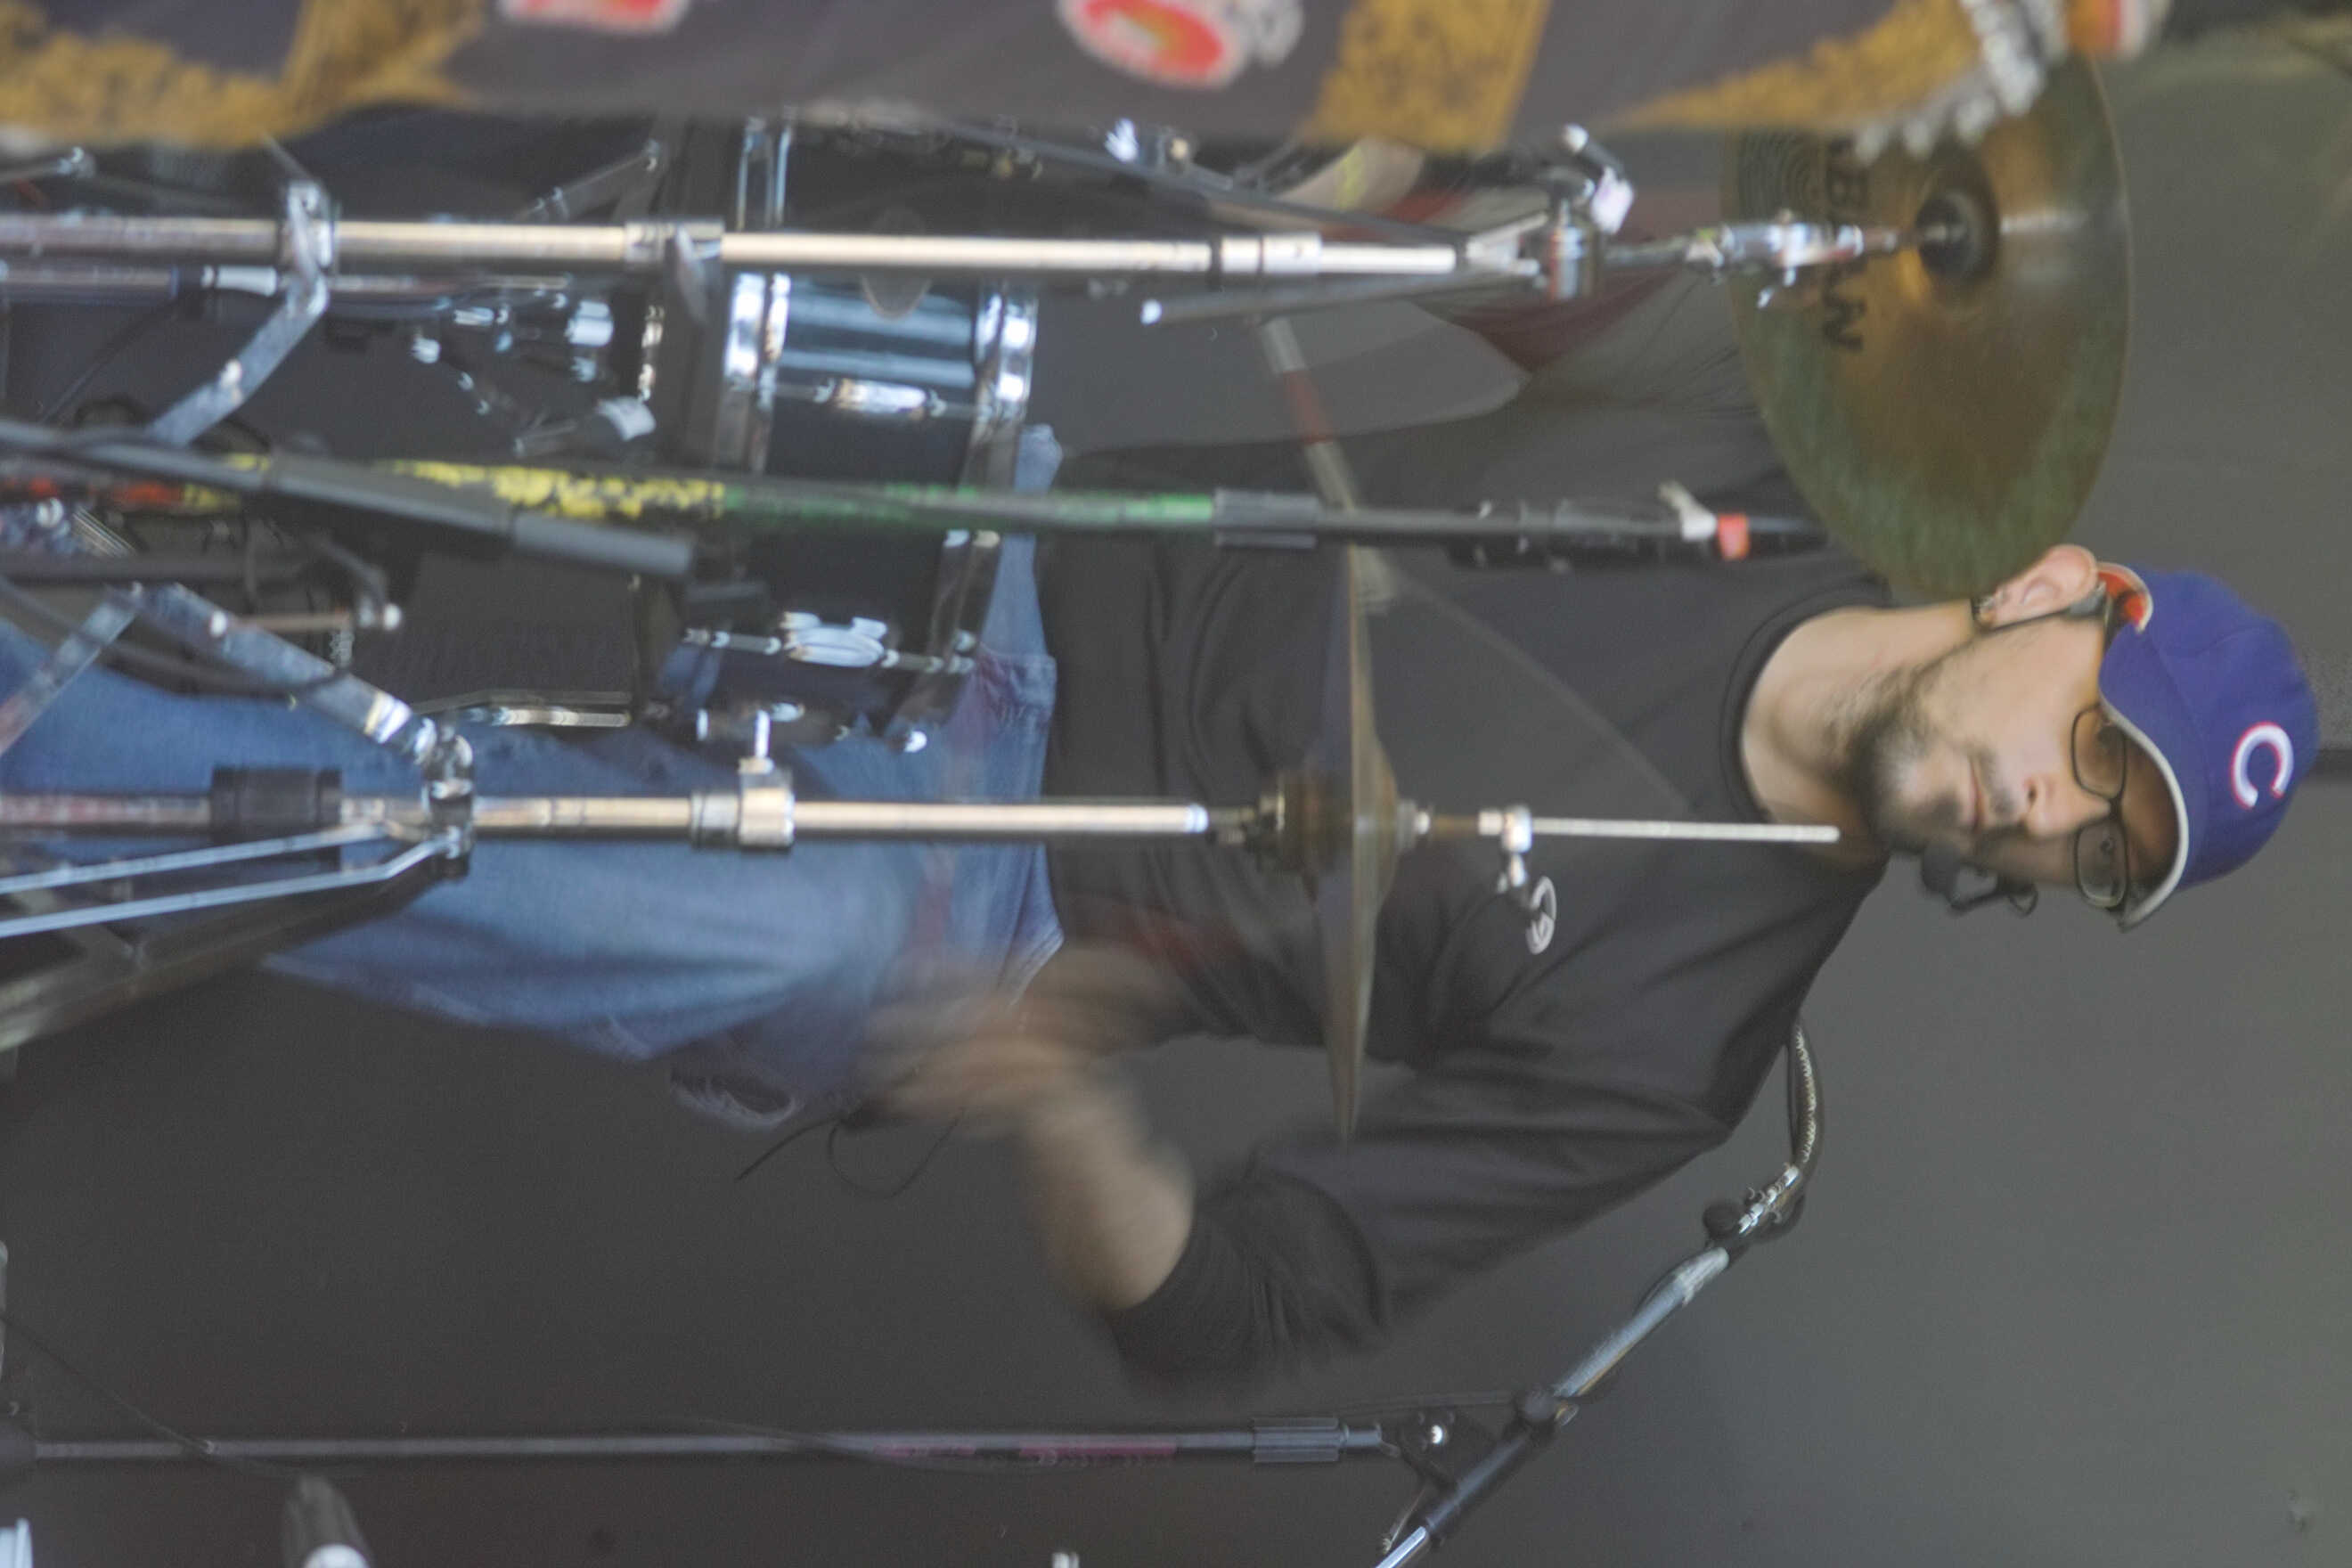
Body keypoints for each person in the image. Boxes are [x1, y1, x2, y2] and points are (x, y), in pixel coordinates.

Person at [0, 262, 2318, 1386]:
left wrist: (1061, 1097)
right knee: (782, 264)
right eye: (2088, 751)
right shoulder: (1769, 437)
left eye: (2091, 854)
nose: (2041, 815)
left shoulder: (1671, 1047)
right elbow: (1489, 228)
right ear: (2055, 590)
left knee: (815, 960)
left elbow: (1232, 1305)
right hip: (1012, 536)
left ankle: (48, 753)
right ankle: (113, 379)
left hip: (973, 897)